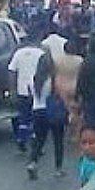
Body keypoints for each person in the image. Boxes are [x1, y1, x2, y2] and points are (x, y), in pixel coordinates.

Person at [27, 49, 67, 179]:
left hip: (37, 110)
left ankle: (33, 162)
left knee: (39, 139)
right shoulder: (53, 79)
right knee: (58, 140)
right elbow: (59, 94)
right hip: (52, 111)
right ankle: (58, 168)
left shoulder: (35, 79)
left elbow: (30, 95)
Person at [8, 41, 46, 155]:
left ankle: (22, 139)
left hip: (22, 90)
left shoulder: (18, 53)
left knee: (23, 117)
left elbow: (12, 71)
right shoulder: (41, 53)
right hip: (38, 91)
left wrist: (12, 90)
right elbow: (47, 71)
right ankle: (36, 144)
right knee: (37, 119)